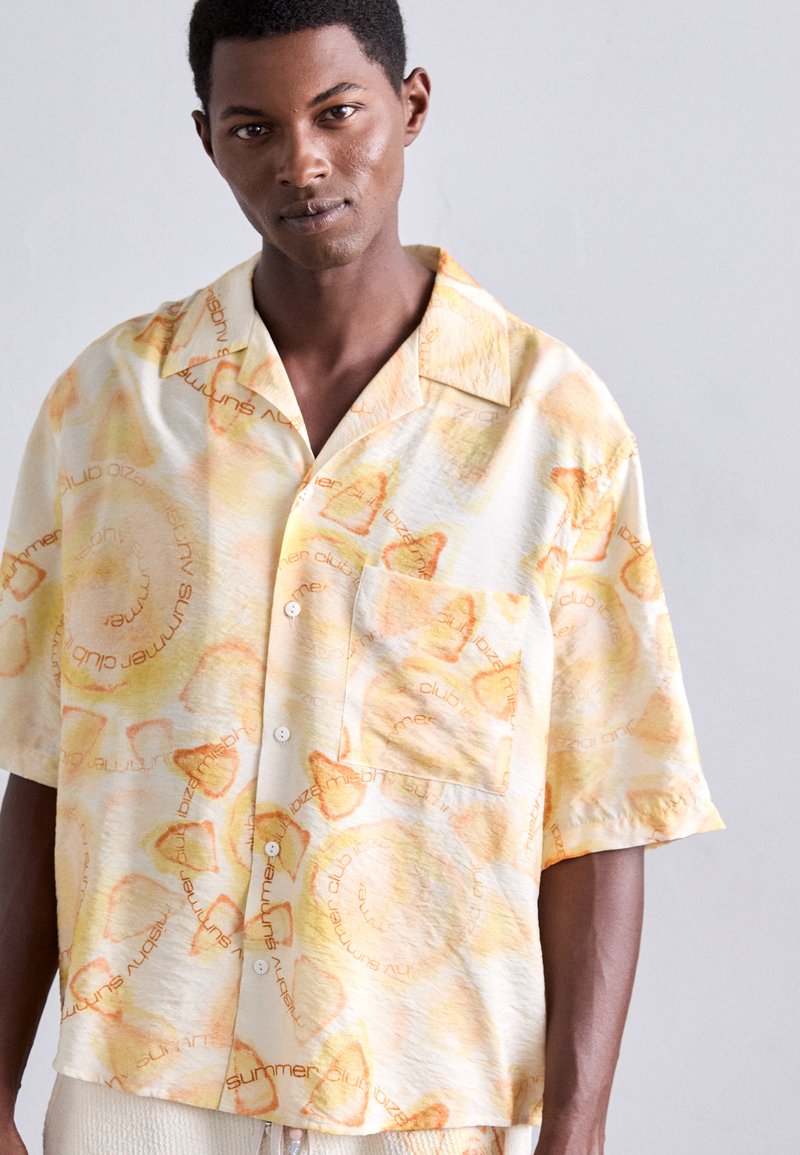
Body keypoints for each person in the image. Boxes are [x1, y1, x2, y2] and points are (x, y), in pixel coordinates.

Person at [0, 2, 726, 1154]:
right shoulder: (107, 410)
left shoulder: (551, 427)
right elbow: (44, 767)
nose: (301, 162)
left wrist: (578, 1128)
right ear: (205, 138)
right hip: (142, 1079)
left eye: (337, 113)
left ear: (410, 104)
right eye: (252, 128)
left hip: (432, 1091)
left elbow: (598, 811)